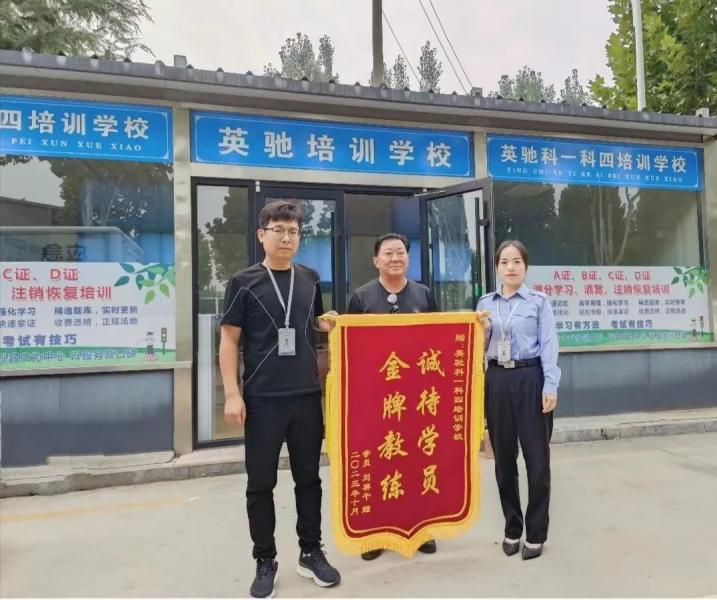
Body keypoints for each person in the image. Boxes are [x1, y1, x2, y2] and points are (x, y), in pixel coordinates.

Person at [219, 200, 341, 598]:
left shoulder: (310, 278)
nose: (286, 237)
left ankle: (310, 551)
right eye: (278, 230)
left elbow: (313, 323)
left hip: (305, 396)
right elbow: (229, 340)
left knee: (309, 479)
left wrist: (326, 323)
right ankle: (265, 559)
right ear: (262, 235)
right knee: (261, 484)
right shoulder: (244, 282)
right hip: (263, 399)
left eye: (293, 231)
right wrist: (233, 394)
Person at [347, 232, 438, 560]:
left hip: (415, 398)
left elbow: (439, 337)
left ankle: (421, 529)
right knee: (378, 461)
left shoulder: (424, 295)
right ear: (376, 260)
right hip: (376, 399)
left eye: (400, 252)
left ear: (408, 259)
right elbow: (349, 347)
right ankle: (375, 534)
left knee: (417, 459)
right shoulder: (361, 297)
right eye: (388, 253)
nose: (395, 258)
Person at [476, 240, 560, 561]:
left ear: (526, 266)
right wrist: (483, 331)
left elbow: (549, 345)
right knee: (503, 461)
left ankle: (536, 533)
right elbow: (477, 348)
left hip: (530, 378)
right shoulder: (485, 303)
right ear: (497, 267)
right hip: (497, 380)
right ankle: (512, 528)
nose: (510, 268)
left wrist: (550, 385)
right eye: (504, 262)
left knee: (537, 461)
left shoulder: (539, 302)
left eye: (517, 262)